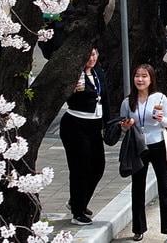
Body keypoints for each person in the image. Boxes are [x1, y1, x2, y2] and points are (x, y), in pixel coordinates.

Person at [119, 64, 167, 241]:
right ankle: (138, 228)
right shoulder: (127, 101)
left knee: (165, 186)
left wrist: (162, 120)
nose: (140, 79)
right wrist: (125, 126)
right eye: (137, 76)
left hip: (158, 145)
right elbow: (123, 125)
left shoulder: (160, 99)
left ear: (151, 79)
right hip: (138, 148)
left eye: (144, 76)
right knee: (137, 187)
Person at [61, 46, 106, 225]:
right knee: (80, 168)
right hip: (75, 125)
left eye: (94, 54)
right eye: (87, 55)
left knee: (98, 166)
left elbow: (105, 99)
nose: (91, 58)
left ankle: (77, 201)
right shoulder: (74, 75)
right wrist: (71, 90)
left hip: (94, 125)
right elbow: (66, 96)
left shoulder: (97, 73)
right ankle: (77, 212)